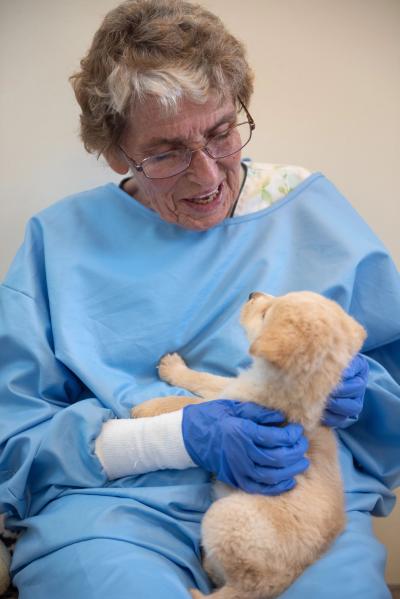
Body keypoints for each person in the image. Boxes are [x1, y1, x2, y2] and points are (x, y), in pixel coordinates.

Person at [0, 1, 399, 597]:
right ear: (114, 152)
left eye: (220, 134)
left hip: (297, 512)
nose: (209, 176)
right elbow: (15, 438)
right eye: (165, 153)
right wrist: (172, 438)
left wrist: (358, 386)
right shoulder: (58, 240)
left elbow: (391, 386)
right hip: (114, 515)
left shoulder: (308, 209)